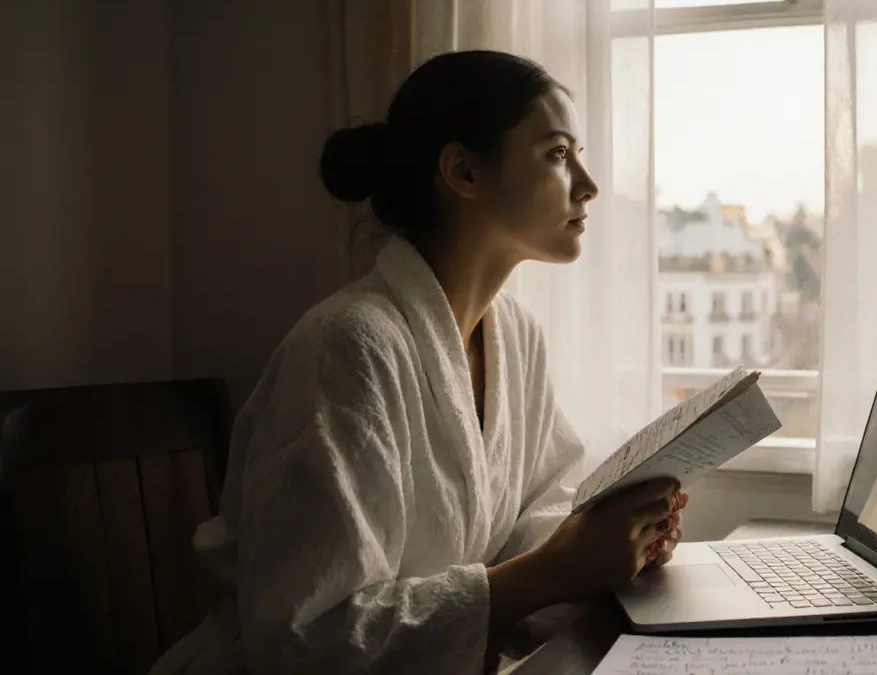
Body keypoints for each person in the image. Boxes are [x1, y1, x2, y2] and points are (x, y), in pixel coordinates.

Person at [150, 50, 689, 675]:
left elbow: (534, 515)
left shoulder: (516, 336)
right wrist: (551, 571)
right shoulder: (347, 348)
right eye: (557, 154)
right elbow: (307, 634)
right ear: (463, 171)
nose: (588, 186)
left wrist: (615, 545)